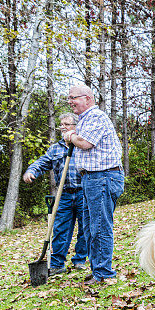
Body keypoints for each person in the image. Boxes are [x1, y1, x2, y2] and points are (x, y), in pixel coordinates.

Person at [62, 84, 125, 285]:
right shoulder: (85, 120)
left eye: (74, 98)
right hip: (91, 179)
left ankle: (105, 274)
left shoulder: (96, 116)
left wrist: (71, 136)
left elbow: (85, 143)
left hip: (103, 178)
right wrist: (72, 135)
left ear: (88, 98)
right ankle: (98, 271)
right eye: (69, 98)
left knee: (99, 227)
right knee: (90, 227)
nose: (70, 101)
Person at [23, 112, 87, 274]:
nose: (63, 127)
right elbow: (41, 162)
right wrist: (31, 171)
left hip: (83, 193)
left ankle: (80, 260)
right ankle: (58, 264)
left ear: (76, 126)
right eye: (61, 125)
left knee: (85, 228)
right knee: (60, 229)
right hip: (63, 195)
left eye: (67, 124)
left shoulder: (82, 144)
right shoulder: (55, 149)